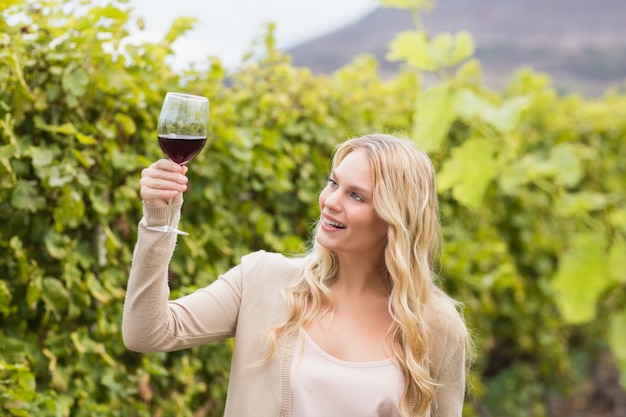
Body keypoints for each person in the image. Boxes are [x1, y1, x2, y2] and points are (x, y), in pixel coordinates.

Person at [123, 133, 470, 417]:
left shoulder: (435, 325)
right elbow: (146, 332)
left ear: (394, 219)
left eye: (356, 196)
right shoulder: (263, 279)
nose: (330, 201)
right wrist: (159, 220)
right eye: (333, 183)